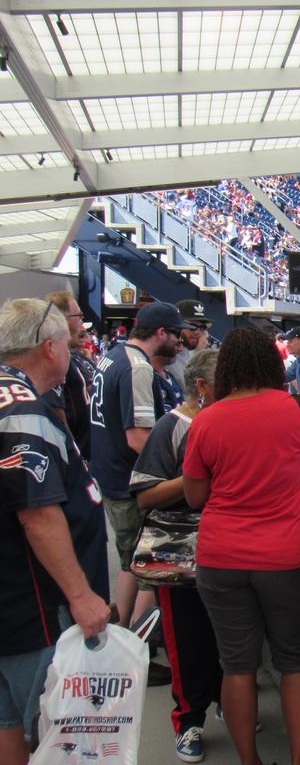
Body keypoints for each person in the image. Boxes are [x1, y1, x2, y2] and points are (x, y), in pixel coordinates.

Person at [183, 328, 300, 765]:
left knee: (237, 664)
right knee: (295, 661)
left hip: (221, 558)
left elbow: (195, 497)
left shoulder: (207, 420)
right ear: (275, 366)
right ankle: (299, 761)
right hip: (285, 556)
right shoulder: (298, 407)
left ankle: (250, 761)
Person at [0, 298, 109, 765]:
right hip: (34, 607)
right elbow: (38, 513)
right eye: (68, 341)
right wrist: (81, 595)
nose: (75, 347)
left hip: (14, 604)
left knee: (9, 725)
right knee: (57, 731)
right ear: (49, 348)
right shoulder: (23, 409)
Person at [129, 349, 222, 763]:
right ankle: (189, 720)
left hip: (226, 547)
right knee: (186, 637)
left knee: (228, 634)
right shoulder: (171, 426)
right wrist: (193, 478)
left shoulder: (228, 422)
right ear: (202, 387)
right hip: (178, 549)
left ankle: (227, 697)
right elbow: (145, 494)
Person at [91, 301, 189, 631]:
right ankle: (137, 648)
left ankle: (120, 637)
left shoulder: (114, 355)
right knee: (150, 571)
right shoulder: (138, 366)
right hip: (128, 480)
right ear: (160, 332)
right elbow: (138, 438)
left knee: (130, 563)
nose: (180, 341)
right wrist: (176, 475)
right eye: (176, 334)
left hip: (111, 474)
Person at [42, 291, 91, 458]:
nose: (82, 324)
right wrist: (74, 459)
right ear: (62, 319)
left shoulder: (71, 357)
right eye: (79, 316)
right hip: (76, 455)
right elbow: (58, 416)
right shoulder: (54, 359)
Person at [167, 299, 212, 389]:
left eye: (202, 327)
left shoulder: (187, 351)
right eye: (193, 327)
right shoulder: (166, 352)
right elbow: (191, 389)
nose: (198, 332)